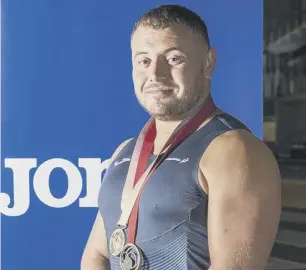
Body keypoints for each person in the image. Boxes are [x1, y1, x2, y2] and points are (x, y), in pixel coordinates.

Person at [81, 4, 281, 270]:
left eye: (174, 58)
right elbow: (97, 255)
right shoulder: (126, 152)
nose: (155, 74)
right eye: (144, 60)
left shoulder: (234, 151)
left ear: (208, 63)